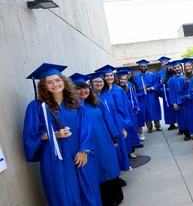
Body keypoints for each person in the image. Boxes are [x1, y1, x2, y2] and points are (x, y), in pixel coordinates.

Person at [23, 63, 101, 206]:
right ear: (43, 86)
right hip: (55, 157)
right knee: (62, 192)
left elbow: (87, 128)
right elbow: (31, 135)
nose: (55, 84)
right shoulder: (36, 107)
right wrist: (55, 134)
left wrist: (84, 150)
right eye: (49, 82)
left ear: (64, 81)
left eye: (58, 80)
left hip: (79, 153)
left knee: (87, 189)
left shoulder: (76, 103)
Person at [70, 73, 124, 206]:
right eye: (78, 88)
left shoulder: (96, 102)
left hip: (105, 140)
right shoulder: (72, 108)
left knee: (110, 167)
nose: (83, 91)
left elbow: (108, 119)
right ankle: (105, 200)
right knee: (97, 172)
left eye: (85, 87)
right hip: (90, 145)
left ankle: (117, 196)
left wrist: (114, 137)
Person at [95, 65, 141, 159]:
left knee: (125, 136)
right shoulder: (101, 92)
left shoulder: (119, 89)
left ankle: (128, 152)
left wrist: (126, 117)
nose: (109, 77)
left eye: (111, 75)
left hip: (121, 117)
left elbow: (126, 106)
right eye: (106, 76)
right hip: (110, 118)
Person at [133, 59, 162, 133]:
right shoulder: (136, 77)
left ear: (147, 67)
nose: (143, 67)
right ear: (139, 67)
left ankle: (157, 125)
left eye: (144, 66)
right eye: (141, 66)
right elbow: (135, 86)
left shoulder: (152, 74)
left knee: (154, 109)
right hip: (143, 96)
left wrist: (151, 88)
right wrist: (141, 88)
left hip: (152, 95)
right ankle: (149, 127)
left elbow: (157, 83)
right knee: (145, 111)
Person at [168, 60, 191, 140]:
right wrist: (174, 103)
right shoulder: (172, 79)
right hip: (179, 102)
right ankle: (186, 134)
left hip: (189, 100)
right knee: (182, 118)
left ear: (181, 67)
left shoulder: (187, 76)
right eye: (175, 68)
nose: (177, 69)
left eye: (178, 67)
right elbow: (171, 92)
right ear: (173, 69)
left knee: (191, 117)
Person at [156, 56, 178, 130]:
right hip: (166, 93)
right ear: (161, 65)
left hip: (175, 92)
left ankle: (179, 122)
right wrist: (163, 90)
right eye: (162, 63)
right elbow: (159, 84)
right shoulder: (159, 74)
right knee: (168, 108)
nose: (164, 64)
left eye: (166, 62)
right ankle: (171, 123)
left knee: (176, 106)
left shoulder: (173, 71)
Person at [126, 68, 146, 141]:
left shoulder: (134, 82)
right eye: (126, 74)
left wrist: (135, 96)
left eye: (129, 74)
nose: (128, 76)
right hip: (128, 105)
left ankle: (140, 133)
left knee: (138, 119)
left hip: (136, 102)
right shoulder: (120, 85)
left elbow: (141, 91)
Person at [179, 58, 193, 139]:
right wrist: (187, 96)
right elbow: (180, 91)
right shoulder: (182, 79)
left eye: (189, 66)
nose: (187, 68)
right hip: (189, 102)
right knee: (190, 119)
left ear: (192, 66)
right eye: (186, 66)